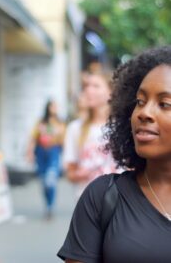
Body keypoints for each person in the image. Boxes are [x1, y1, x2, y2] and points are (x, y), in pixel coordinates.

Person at [57, 46, 171, 262]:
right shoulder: (103, 196)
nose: (144, 113)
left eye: (164, 104)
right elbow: (70, 170)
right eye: (140, 101)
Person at [64, 69, 116, 198]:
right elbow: (70, 174)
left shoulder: (123, 127)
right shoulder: (75, 128)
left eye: (96, 86)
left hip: (119, 204)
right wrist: (81, 174)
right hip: (87, 204)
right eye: (86, 86)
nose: (89, 90)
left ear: (110, 92)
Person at [27, 100, 65, 219]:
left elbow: (64, 140)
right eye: (52, 106)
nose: (54, 108)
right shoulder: (41, 122)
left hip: (53, 152)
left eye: (56, 106)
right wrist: (30, 152)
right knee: (43, 182)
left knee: (50, 180)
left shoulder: (60, 123)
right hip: (41, 153)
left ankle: (51, 206)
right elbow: (33, 138)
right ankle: (47, 204)